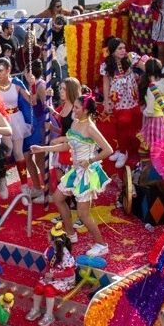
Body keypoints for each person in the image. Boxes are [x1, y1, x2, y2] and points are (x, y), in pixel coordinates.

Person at [30, 92, 112, 255]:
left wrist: (90, 160)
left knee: (83, 214)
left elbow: (108, 150)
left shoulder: (90, 127)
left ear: (86, 110)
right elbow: (67, 146)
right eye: (74, 107)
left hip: (86, 174)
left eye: (76, 107)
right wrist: (43, 149)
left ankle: (101, 245)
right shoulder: (75, 123)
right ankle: (70, 233)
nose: (73, 110)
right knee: (58, 198)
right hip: (75, 171)